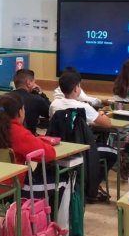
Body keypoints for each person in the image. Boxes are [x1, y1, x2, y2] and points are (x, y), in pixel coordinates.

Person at [49, 71, 115, 203]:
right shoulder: (83, 107)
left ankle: (85, 181)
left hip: (61, 148)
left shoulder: (54, 105)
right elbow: (107, 124)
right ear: (76, 88)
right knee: (114, 153)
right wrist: (101, 114)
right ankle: (93, 184)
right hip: (82, 149)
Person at [0, 93, 57, 193]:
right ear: (20, 112)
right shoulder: (18, 133)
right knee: (62, 182)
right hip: (13, 187)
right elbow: (50, 154)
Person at [12, 68, 50, 134]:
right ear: (28, 83)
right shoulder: (36, 99)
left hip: (7, 137)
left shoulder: (4, 98)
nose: (35, 84)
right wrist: (41, 94)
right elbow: (50, 112)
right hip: (28, 136)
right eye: (34, 82)